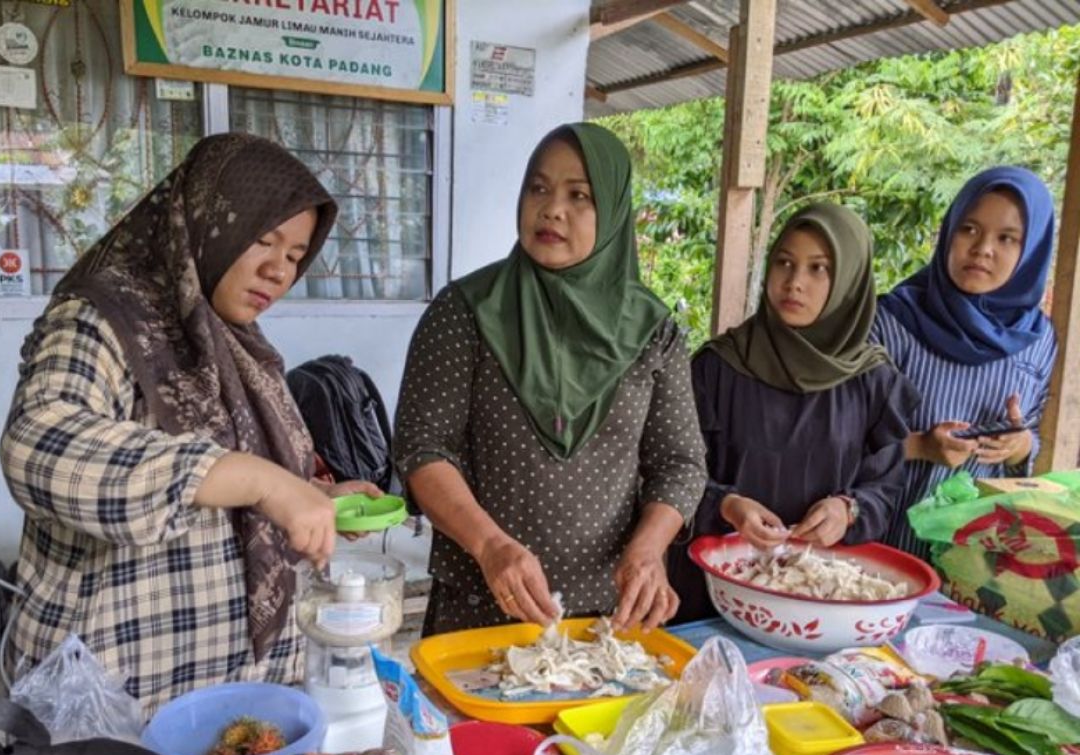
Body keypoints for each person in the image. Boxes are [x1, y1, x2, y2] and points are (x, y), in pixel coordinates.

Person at [0, 133, 379, 713]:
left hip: (230, 684)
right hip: (116, 695)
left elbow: (232, 484)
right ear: (206, 221)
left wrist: (312, 495)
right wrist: (263, 481)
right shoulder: (105, 321)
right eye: (263, 239)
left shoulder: (234, 342)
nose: (279, 270)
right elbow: (39, 445)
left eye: (297, 255)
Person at [393, 123, 707, 636]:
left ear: (612, 211)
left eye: (578, 195)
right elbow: (422, 448)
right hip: (482, 607)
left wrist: (650, 549)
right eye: (538, 188)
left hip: (609, 621)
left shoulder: (653, 332)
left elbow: (680, 462)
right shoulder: (466, 312)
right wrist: (491, 546)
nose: (551, 209)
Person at [669, 203, 917, 622]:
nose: (794, 282)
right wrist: (728, 505)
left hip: (820, 598)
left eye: (818, 269)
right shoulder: (719, 366)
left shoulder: (873, 381)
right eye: (784, 262)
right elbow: (676, 470)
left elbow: (885, 487)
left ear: (849, 281)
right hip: (714, 594)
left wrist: (847, 510)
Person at [873, 166, 1058, 559]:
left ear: (1033, 250)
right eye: (969, 229)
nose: (982, 249)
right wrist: (919, 446)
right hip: (879, 550)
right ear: (949, 230)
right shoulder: (891, 321)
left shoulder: (1038, 341)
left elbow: (1031, 439)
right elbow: (833, 435)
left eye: (1007, 238)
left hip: (974, 564)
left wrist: (1019, 445)